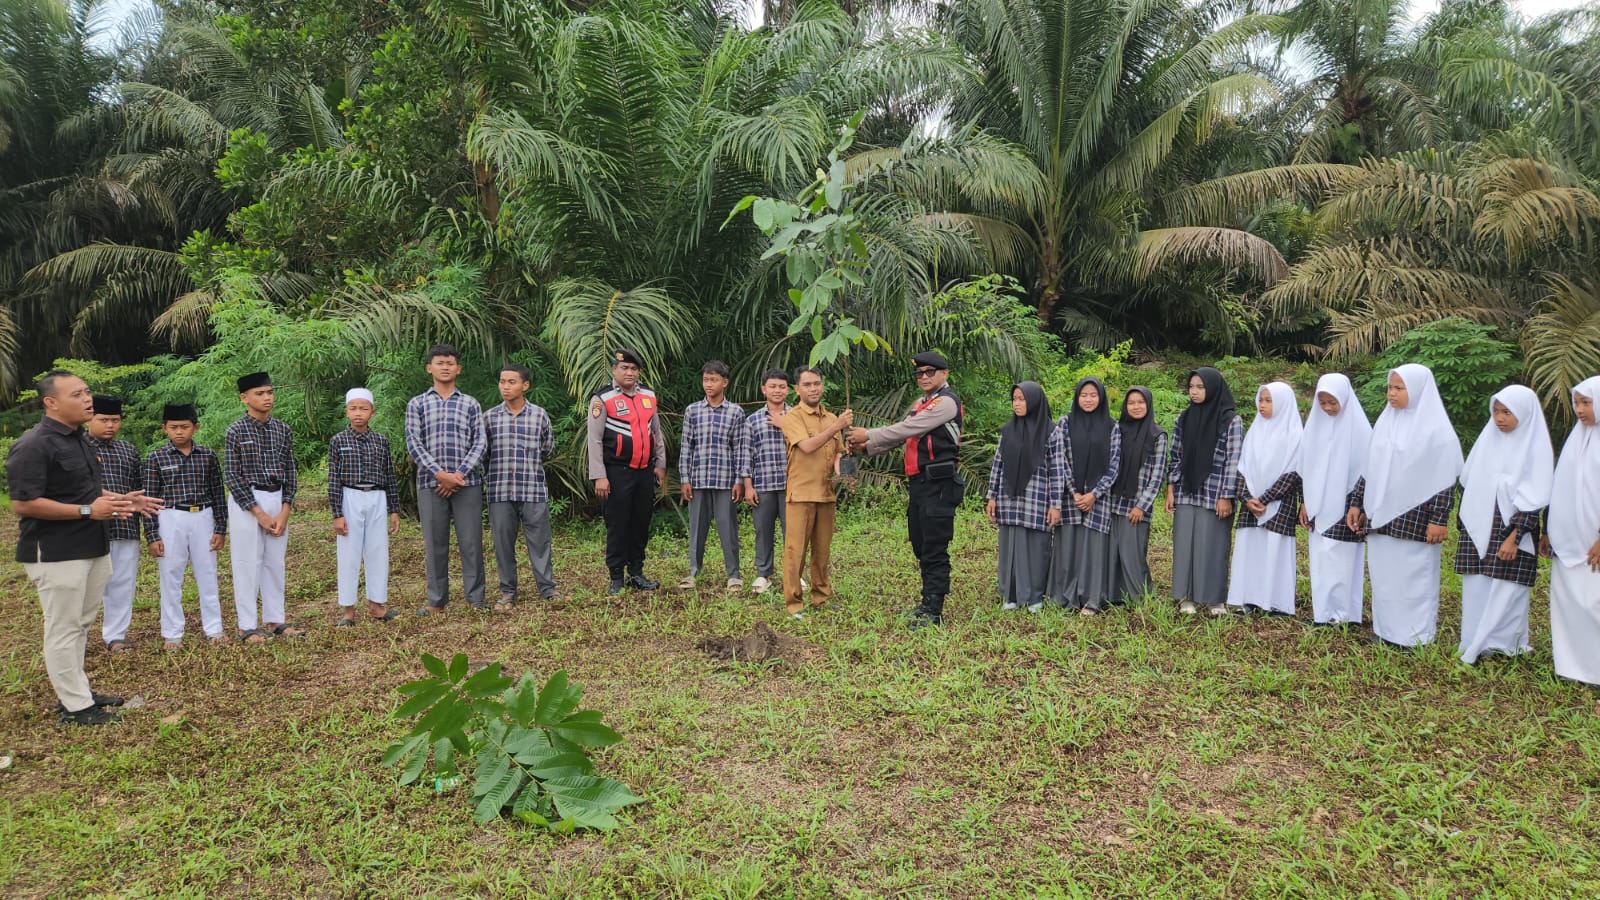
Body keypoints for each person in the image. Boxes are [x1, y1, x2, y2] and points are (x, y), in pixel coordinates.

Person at [7, 370, 159, 725]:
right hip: (57, 552)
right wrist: (89, 510)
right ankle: (75, 708)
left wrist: (121, 500)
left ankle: (76, 692)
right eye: (76, 394)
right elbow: (24, 503)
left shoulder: (79, 440)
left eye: (87, 391)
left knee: (82, 623)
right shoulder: (34, 444)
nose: (87, 398)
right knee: (63, 627)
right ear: (51, 403)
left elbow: (83, 491)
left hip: (92, 546)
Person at [1346, 364, 1463, 649]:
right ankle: (1386, 630)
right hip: (1381, 515)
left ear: (1419, 390)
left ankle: (1414, 637)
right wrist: (1356, 503)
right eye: (1390, 387)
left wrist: (1439, 518)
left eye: (1400, 388)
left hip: (1418, 517)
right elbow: (1369, 469)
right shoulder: (1386, 423)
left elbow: (1445, 481)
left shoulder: (1438, 432)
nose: (1392, 393)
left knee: (1414, 577)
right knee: (1385, 575)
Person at [848, 351, 964, 630]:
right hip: (920, 484)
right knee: (920, 542)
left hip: (939, 483)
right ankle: (926, 603)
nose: (924, 377)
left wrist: (870, 435)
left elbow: (907, 427)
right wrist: (866, 447)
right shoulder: (920, 403)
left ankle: (934, 611)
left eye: (930, 372)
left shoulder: (946, 403)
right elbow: (904, 435)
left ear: (944, 373)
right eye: (919, 373)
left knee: (935, 546)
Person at [1454, 385, 1552, 664]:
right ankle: (1475, 641)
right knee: (1477, 585)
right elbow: (1470, 484)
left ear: (1523, 413)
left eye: (1507, 412)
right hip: (1478, 528)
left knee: (1507, 588)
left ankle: (1504, 646)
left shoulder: (1535, 449)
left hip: (1513, 530)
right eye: (1495, 411)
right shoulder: (1488, 443)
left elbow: (1534, 499)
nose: (1499, 418)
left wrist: (1515, 538)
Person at [405, 344, 488, 613]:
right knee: (435, 543)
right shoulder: (417, 403)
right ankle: (437, 601)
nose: (445, 366)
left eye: (450, 363)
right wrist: (440, 475)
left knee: (471, 542)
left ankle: (476, 599)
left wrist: (458, 474)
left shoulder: (470, 403)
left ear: (458, 369)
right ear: (429, 368)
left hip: (467, 484)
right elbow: (414, 443)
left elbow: (480, 443)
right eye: (439, 362)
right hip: (431, 484)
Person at [225, 371, 302, 642]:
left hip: (276, 497)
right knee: (247, 562)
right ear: (244, 398)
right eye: (260, 393)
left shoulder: (282, 429)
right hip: (247, 502)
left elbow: (291, 471)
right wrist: (257, 512)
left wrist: (285, 509)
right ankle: (246, 626)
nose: (267, 397)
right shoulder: (235, 431)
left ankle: (275, 619)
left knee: (274, 563)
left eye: (270, 392)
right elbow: (233, 476)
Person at [145, 403, 228, 649]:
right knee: (171, 575)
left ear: (196, 427)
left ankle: (214, 629)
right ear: (164, 428)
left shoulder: (208, 456)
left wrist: (220, 528)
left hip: (203, 515)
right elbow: (149, 500)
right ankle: (172, 633)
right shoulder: (156, 458)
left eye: (184, 427)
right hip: (170, 517)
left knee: (208, 574)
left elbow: (217, 494)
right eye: (173, 427)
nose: (179, 432)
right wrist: (152, 535)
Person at [1165, 367, 1244, 616]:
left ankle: (1213, 599)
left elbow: (1233, 460)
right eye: (1191, 387)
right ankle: (1185, 596)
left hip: (1215, 493)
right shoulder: (1184, 418)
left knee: (1214, 544)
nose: (1195, 392)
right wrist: (1171, 488)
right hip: (1186, 490)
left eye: (1200, 387)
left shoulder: (1231, 420)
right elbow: (1175, 456)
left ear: (1213, 388)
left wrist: (1226, 495)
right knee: (1185, 543)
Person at [588, 349, 667, 595]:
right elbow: (595, 439)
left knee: (640, 523)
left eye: (634, 369)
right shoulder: (602, 398)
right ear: (615, 369)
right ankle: (616, 577)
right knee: (618, 524)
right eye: (624, 368)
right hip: (616, 472)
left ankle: (636, 572)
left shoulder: (648, 396)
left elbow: (656, 431)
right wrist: (599, 475)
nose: (629, 372)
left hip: (644, 472)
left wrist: (660, 463)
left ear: (639, 372)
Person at [1296, 374, 1371, 627]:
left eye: (1333, 402)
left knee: (1342, 558)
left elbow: (1367, 471)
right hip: (1318, 503)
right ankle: (1323, 613)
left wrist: (1357, 505)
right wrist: (1305, 501)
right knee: (1321, 557)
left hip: (1347, 503)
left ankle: (1344, 615)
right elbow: (1306, 468)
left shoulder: (1360, 430)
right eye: (1323, 402)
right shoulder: (1315, 427)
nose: (1327, 408)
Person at [485, 364, 560, 611]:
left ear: (525, 385)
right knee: (503, 544)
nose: (505, 387)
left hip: (533, 490)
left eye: (511, 382)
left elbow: (548, 449)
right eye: (502, 381)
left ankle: (548, 589)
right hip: (500, 491)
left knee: (540, 543)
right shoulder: (490, 418)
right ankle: (507, 592)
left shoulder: (539, 415)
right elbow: (483, 455)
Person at [779, 366, 851, 618]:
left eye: (817, 383)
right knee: (795, 552)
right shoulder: (792, 417)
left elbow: (837, 453)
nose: (813, 389)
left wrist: (845, 469)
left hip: (826, 494)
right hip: (800, 494)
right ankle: (793, 604)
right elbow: (808, 447)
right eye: (807, 384)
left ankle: (821, 598)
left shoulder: (832, 418)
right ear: (797, 389)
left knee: (822, 551)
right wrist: (836, 427)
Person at [1227, 382, 1304, 617]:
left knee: (1275, 549)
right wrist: (1247, 498)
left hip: (1280, 504)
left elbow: (1294, 472)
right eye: (1261, 400)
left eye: (1269, 401)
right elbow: (1242, 468)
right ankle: (1249, 598)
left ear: (1282, 402)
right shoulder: (1255, 430)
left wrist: (1266, 498)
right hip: (1251, 505)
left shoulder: (1295, 434)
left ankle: (1277, 603)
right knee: (1251, 547)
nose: (1262, 405)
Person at [985, 382, 1063, 611]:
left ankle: (1035, 597)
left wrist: (1055, 505)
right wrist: (992, 496)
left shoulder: (1051, 431)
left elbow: (1057, 470)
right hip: (1009, 498)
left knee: (1036, 546)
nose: (1017, 403)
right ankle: (1010, 594)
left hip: (1037, 499)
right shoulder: (1008, 429)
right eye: (1015, 399)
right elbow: (998, 464)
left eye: (1022, 399)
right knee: (1010, 544)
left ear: (1035, 401)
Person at [1543, 376, 1600, 686]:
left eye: (1586, 403)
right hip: (1568, 541)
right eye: (1577, 402)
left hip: (1595, 542)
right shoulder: (1575, 439)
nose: (1579, 409)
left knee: (1594, 602)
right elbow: (1561, 489)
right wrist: (1550, 530)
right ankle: (1572, 667)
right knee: (1569, 603)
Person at [1049, 378, 1121, 615]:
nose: (1088, 399)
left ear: (1101, 398)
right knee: (1069, 546)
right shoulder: (1065, 423)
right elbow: (1061, 461)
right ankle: (1066, 597)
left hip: (1098, 499)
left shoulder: (1112, 427)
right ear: (1076, 397)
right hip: (1070, 497)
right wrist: (1075, 492)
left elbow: (1114, 466)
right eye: (1084, 395)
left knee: (1094, 548)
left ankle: (1091, 600)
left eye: (1093, 395)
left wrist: (1093, 494)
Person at [329, 387, 401, 626]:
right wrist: (337, 514)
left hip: (377, 497)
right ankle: (348, 611)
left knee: (378, 551)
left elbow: (390, 475)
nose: (358, 413)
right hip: (350, 496)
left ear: (372, 411)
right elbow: (333, 479)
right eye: (353, 408)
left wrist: (394, 509)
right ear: (346, 411)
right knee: (349, 554)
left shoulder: (381, 441)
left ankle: (376, 604)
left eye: (363, 408)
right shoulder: (338, 441)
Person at [679, 361, 745, 592]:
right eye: (706, 379)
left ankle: (734, 575)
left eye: (713, 380)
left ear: (724, 383)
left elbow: (739, 448)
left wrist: (739, 480)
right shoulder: (692, 411)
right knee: (697, 529)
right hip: (698, 480)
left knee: (728, 529)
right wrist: (684, 478)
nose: (708, 384)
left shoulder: (736, 412)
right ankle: (693, 571)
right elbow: (686, 447)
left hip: (726, 480)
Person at [86, 396, 143, 652]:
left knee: (122, 581)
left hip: (125, 526)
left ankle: (115, 636)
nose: (110, 425)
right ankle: (78, 636)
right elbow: (80, 488)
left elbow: (138, 489)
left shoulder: (128, 450)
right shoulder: (78, 447)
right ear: (89, 418)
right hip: (88, 525)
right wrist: (120, 500)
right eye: (104, 420)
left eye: (115, 420)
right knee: (84, 585)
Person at [1105, 386, 1167, 605]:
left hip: (1137, 504)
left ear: (1148, 404)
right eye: (1131, 402)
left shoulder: (1157, 435)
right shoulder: (1117, 430)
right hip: (1112, 502)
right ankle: (1114, 596)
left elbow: (1157, 475)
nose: (1136, 406)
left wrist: (1142, 506)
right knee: (1112, 552)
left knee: (1133, 554)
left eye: (1140, 402)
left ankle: (1141, 597)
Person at [739, 369, 791, 595]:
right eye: (773, 386)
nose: (777, 390)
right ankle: (764, 574)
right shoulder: (752, 420)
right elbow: (745, 455)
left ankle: (794, 574)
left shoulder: (797, 417)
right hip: (763, 485)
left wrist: (785, 425)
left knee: (793, 532)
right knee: (763, 531)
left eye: (781, 386)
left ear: (788, 390)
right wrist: (748, 487)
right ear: (764, 389)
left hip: (792, 485)